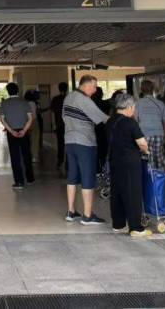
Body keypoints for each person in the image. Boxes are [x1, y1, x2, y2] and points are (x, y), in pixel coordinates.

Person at [62, 75, 109, 225]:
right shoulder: (84, 100)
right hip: (84, 143)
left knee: (72, 177)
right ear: (86, 85)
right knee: (88, 177)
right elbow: (102, 118)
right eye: (94, 87)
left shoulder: (69, 97)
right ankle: (88, 215)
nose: (95, 90)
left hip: (69, 141)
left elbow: (64, 117)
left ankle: (71, 211)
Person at [107, 94, 152, 237]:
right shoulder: (130, 122)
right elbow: (142, 143)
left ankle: (118, 224)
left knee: (117, 192)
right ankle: (136, 228)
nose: (134, 110)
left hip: (114, 161)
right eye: (134, 107)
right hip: (130, 162)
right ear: (129, 107)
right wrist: (146, 150)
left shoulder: (110, 121)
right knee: (132, 193)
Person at [0, 83, 35, 190]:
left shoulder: (4, 103)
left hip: (12, 132)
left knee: (15, 157)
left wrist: (11, 131)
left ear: (7, 91)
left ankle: (19, 182)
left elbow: (2, 119)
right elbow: (30, 118)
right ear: (17, 90)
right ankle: (30, 179)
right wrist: (24, 130)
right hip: (24, 131)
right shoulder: (24, 102)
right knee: (26, 155)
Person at [136, 80, 165, 173]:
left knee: (147, 160)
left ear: (141, 89)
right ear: (153, 89)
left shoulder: (138, 103)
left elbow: (135, 121)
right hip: (159, 134)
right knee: (159, 159)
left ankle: (149, 179)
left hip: (144, 135)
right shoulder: (160, 103)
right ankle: (161, 179)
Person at [50, 82, 69, 169]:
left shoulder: (55, 99)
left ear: (59, 89)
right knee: (69, 143)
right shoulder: (69, 98)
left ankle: (60, 159)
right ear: (67, 89)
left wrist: (54, 125)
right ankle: (68, 162)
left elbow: (52, 111)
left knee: (60, 143)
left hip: (59, 124)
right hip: (69, 125)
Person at [92, 87, 111, 172]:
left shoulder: (90, 104)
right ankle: (104, 169)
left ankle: (97, 170)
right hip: (103, 129)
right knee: (103, 151)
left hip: (93, 129)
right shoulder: (106, 104)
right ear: (101, 94)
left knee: (94, 151)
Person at [25, 90, 42, 163]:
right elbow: (34, 114)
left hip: (26, 122)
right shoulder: (33, 103)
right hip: (33, 122)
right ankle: (34, 156)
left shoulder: (25, 103)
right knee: (35, 139)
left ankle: (28, 155)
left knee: (28, 140)